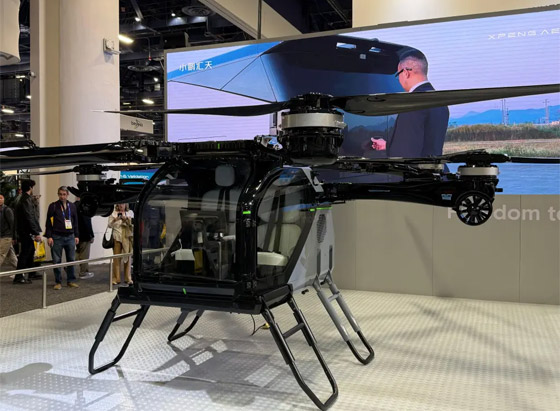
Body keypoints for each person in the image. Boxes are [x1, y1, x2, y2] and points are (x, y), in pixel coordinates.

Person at [372, 49, 449, 158]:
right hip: (433, 167)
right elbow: (424, 144)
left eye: (398, 75)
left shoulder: (412, 103)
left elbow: (407, 154)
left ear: (405, 73)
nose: (399, 79)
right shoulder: (441, 101)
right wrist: (388, 146)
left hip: (415, 169)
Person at [45, 186, 80, 290]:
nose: (62, 196)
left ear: (67, 195)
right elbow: (48, 222)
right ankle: (58, 281)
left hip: (70, 236)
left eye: (64, 194)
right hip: (57, 237)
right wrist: (49, 236)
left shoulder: (72, 206)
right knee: (56, 260)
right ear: (58, 194)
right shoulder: (53, 206)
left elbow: (75, 222)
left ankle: (71, 280)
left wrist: (76, 235)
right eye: (60, 194)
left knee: (71, 260)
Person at [14, 180, 42, 284]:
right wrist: (36, 232)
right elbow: (30, 216)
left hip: (24, 230)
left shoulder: (22, 199)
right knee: (25, 253)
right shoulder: (26, 200)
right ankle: (19, 276)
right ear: (30, 187)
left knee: (30, 251)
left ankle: (31, 272)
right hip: (26, 231)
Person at [108, 203, 133, 285]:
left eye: (123, 204)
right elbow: (109, 225)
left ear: (126, 205)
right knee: (116, 259)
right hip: (117, 238)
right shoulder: (113, 213)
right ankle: (116, 278)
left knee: (127, 258)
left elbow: (133, 224)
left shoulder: (129, 213)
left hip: (126, 238)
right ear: (117, 205)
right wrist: (115, 220)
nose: (121, 205)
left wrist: (127, 219)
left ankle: (128, 278)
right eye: (119, 204)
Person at [74, 197, 95, 279]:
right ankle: (83, 272)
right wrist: (91, 235)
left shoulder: (72, 206)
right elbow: (87, 222)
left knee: (78, 252)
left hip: (76, 234)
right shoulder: (84, 206)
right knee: (85, 254)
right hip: (85, 234)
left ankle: (68, 265)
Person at [0, 194, 18, 273]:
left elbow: (12, 224)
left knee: (1, 254)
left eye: (1, 198)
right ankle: (20, 272)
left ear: (3, 199)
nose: (0, 200)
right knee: (11, 256)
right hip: (2, 236)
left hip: (6, 236)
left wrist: (14, 237)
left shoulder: (7, 210)